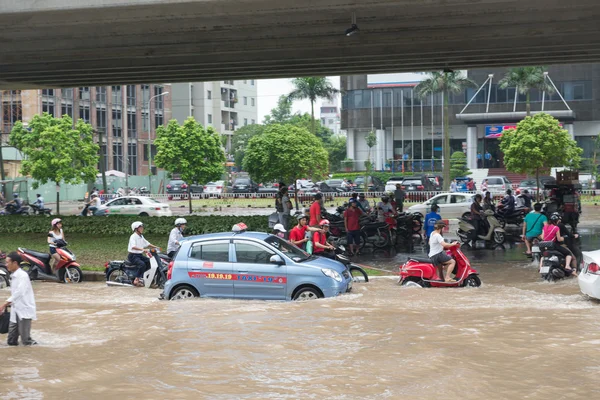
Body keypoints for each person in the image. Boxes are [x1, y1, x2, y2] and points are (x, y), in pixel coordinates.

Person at [0, 252, 37, 346]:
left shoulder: (23, 276)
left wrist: (4, 304)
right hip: (15, 309)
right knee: (11, 340)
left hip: (24, 310)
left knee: (26, 340)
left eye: (8, 262)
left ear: (15, 263)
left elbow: (19, 293)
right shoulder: (13, 276)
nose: (6, 264)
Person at [128, 222, 159, 287]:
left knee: (150, 262)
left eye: (142, 227)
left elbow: (147, 244)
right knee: (142, 264)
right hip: (133, 256)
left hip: (139, 255)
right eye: (140, 227)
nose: (142, 228)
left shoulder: (141, 236)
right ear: (136, 229)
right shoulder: (133, 236)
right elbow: (133, 246)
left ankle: (144, 278)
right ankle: (136, 280)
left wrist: (156, 247)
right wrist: (143, 249)